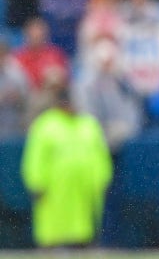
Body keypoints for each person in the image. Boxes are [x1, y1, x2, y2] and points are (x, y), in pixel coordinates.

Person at [21, 77, 113, 248]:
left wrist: (102, 178)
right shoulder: (45, 124)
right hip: (54, 191)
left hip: (84, 191)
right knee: (53, 235)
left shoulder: (88, 124)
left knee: (84, 235)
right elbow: (35, 157)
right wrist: (36, 182)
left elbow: (100, 155)